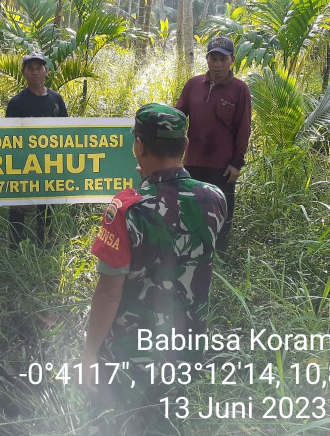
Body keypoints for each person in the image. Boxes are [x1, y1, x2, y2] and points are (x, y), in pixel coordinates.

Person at [83, 103, 226, 435]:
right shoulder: (215, 197)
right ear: (185, 146)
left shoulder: (127, 210)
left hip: (130, 355)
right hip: (186, 348)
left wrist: (89, 353)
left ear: (139, 145)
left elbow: (107, 294)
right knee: (169, 423)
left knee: (117, 424)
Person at [175, 36, 251, 254]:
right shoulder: (193, 85)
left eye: (222, 59)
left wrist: (237, 163)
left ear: (232, 60)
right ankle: (191, 254)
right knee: (191, 210)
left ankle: (220, 258)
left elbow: (243, 128)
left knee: (222, 213)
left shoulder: (240, 90)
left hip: (223, 166)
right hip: (193, 163)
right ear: (207, 59)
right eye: (213, 58)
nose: (217, 64)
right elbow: (179, 116)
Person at [5, 51, 68, 246]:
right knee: (18, 207)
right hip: (23, 165)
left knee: (47, 207)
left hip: (49, 163)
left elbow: (67, 133)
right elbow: (8, 139)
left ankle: (45, 242)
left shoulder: (57, 100)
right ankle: (14, 247)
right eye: (30, 69)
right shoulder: (16, 103)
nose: (35, 72)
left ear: (46, 71)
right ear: (23, 73)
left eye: (39, 68)